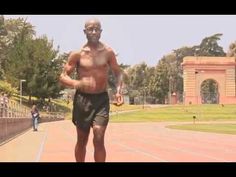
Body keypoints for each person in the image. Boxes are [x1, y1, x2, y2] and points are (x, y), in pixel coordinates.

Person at [59, 18, 124, 162]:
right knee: (82, 140)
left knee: (99, 136)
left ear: (101, 31)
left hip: (101, 100)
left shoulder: (108, 52)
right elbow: (63, 77)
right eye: (90, 29)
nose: (94, 31)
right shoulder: (77, 54)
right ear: (85, 32)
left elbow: (118, 73)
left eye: (97, 29)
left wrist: (119, 91)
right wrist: (78, 83)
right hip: (82, 100)